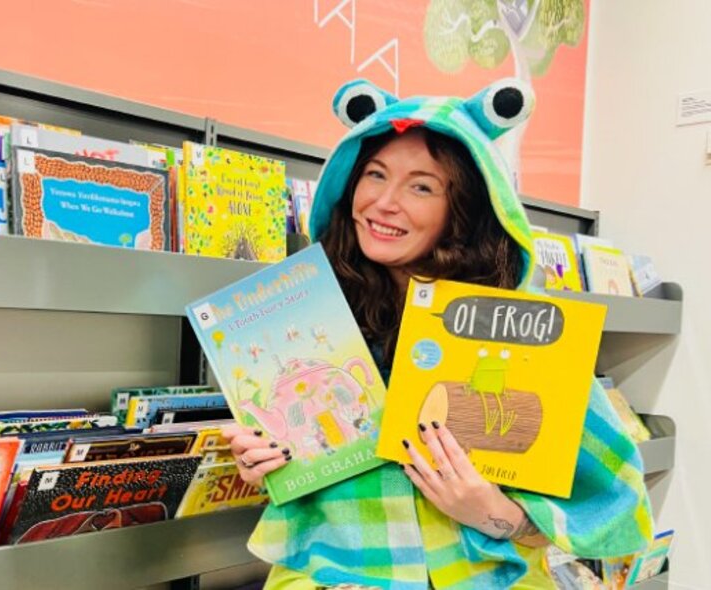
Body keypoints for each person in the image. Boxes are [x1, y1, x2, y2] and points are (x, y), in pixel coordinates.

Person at [222, 78, 652, 589]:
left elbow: (617, 503)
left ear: (465, 211)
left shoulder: (523, 333)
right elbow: (303, 475)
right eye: (374, 175)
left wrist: (495, 513)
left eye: (421, 186)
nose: (383, 202)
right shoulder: (307, 324)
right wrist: (268, 462)